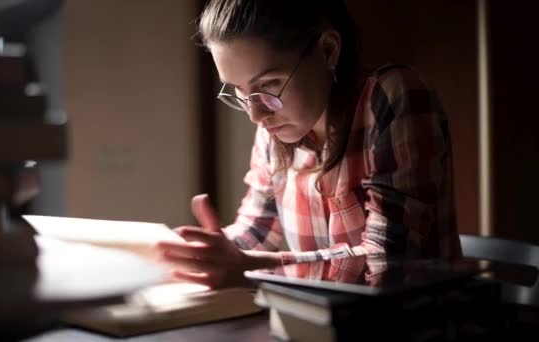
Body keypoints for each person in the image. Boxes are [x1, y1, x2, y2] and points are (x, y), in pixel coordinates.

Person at [156, 0, 461, 289]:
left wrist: (250, 268)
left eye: (269, 84)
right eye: (239, 91)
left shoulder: (390, 97)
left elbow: (391, 265)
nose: (255, 114)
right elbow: (256, 231)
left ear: (328, 51)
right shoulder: (272, 129)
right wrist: (196, 255)